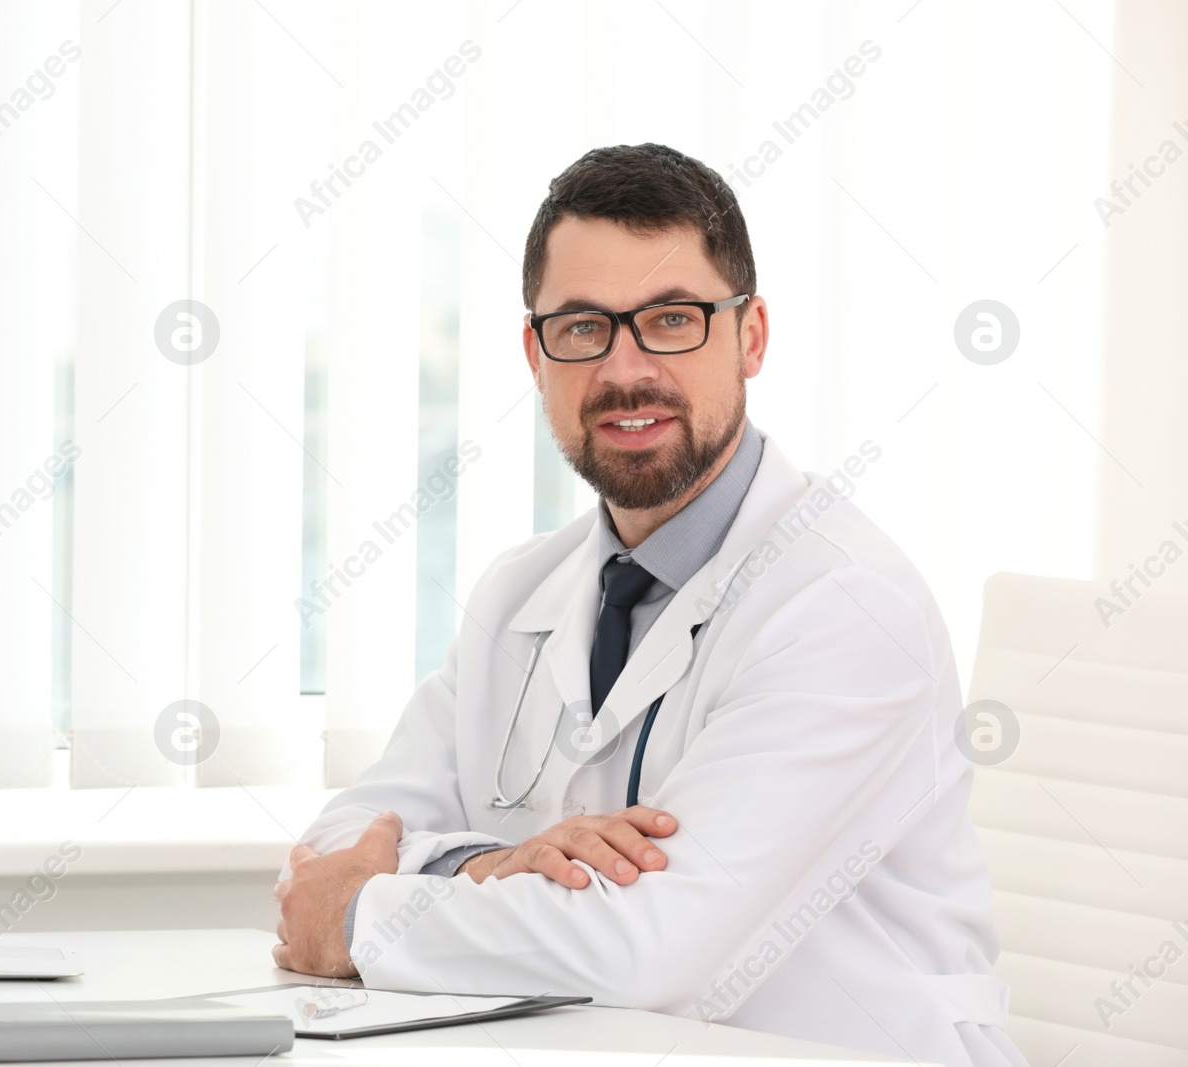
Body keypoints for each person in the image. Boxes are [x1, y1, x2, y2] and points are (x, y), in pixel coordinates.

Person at [271, 143, 1026, 1067]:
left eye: (672, 319)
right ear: (535, 354)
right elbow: (333, 845)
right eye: (584, 326)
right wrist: (493, 862)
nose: (627, 369)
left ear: (749, 335)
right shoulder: (520, 592)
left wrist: (359, 914)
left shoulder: (844, 606)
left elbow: (648, 948)